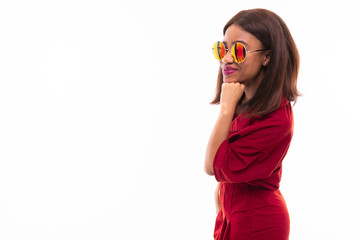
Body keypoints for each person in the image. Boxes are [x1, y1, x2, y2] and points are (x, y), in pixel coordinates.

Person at [204, 8, 300, 240]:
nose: (226, 59)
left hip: (258, 222)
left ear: (267, 57)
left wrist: (226, 109)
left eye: (238, 50)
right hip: (231, 217)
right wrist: (225, 198)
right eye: (223, 48)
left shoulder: (277, 118)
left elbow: (212, 166)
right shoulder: (243, 100)